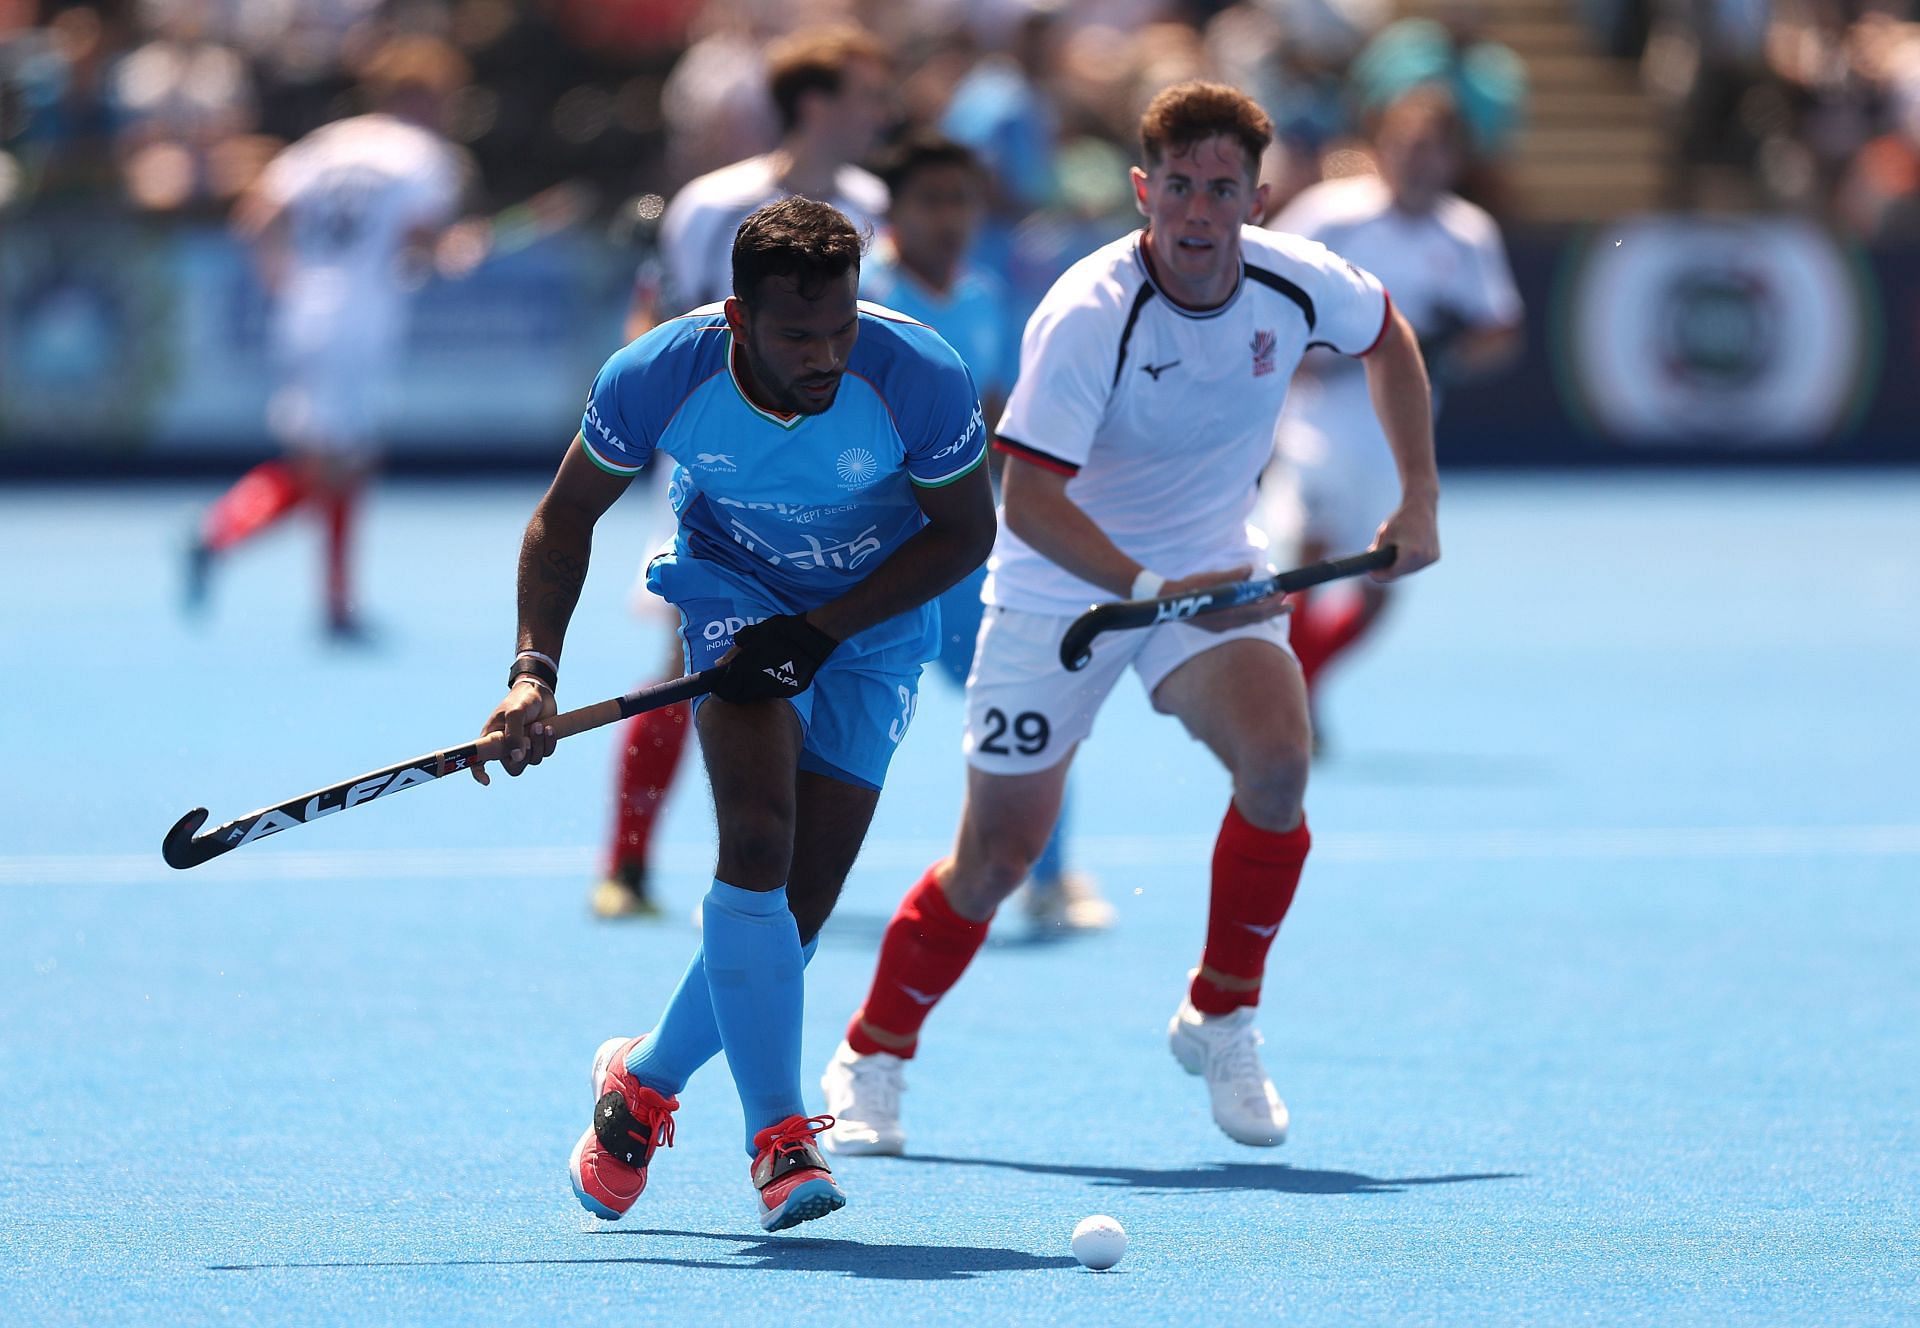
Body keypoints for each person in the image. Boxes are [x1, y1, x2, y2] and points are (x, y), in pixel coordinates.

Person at [817, 80, 1440, 1156]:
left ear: (1260, 195)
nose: (1200, 213)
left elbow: (1390, 339)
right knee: (999, 856)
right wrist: (1144, 590)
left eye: (1224, 189)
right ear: (1146, 190)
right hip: (1061, 591)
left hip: (1209, 568)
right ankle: (873, 1050)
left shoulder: (1299, 283)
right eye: (1182, 188)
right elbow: (1033, 499)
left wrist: (1418, 499)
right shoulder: (1090, 312)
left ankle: (1223, 1013)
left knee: (1279, 765)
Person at [473, 197, 994, 1231]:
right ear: (736, 316)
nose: (826, 353)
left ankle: (645, 1077)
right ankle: (780, 1139)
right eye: (799, 334)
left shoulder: (915, 373)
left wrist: (827, 626)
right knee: (756, 839)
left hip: (878, 616)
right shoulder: (658, 374)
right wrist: (534, 670)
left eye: (841, 326)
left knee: (791, 919)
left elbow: (965, 534)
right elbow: (564, 516)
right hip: (734, 594)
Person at [593, 23, 896, 919]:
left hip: (836, 482)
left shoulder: (876, 201)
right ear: (814, 103)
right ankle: (628, 863)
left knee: (827, 652)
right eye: (867, 95)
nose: (883, 112)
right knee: (679, 653)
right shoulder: (711, 204)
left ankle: (779, 870)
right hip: (717, 469)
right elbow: (653, 330)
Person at [861, 132, 1111, 931]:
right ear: (891, 213)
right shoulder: (856, 299)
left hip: (961, 548)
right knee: (811, 711)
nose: (950, 217)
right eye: (931, 200)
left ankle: (1050, 875)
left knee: (1026, 692)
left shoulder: (979, 295)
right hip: (859, 554)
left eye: (961, 200)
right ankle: (765, 891)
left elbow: (998, 416)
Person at [184, 36, 472, 639]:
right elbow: (421, 242)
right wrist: (453, 251)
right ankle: (226, 534)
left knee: (333, 459)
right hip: (363, 321)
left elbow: (255, 216)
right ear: (421, 95)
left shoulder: (327, 143)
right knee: (339, 462)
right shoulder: (424, 155)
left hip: (303, 310)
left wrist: (282, 279)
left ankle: (331, 598)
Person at [1262, 84, 1520, 733]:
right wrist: (1311, 350)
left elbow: (1501, 335)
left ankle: (1304, 681)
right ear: (1380, 149)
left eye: (1433, 148)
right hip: (1321, 421)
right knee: (1306, 556)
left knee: (1381, 588)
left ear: (1455, 158)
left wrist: (1449, 345)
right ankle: (1284, 702)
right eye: (1406, 145)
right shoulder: (1329, 215)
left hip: (1398, 437)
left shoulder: (1467, 234)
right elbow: (1263, 288)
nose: (1418, 160)